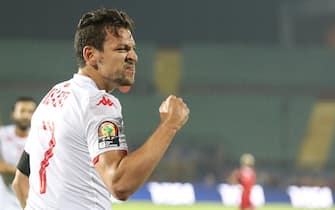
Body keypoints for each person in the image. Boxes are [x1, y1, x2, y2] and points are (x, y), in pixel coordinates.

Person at [13, 8, 190, 210]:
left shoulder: (51, 97)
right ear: (91, 55)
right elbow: (119, 184)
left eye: (132, 48)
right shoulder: (98, 103)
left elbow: (20, 181)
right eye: (122, 49)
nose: (133, 56)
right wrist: (170, 125)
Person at [0, 97, 37, 210]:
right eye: (22, 111)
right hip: (4, 200)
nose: (26, 115)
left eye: (30, 112)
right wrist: (24, 172)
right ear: (13, 113)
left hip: (30, 199)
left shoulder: (39, 137)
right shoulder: (2, 134)